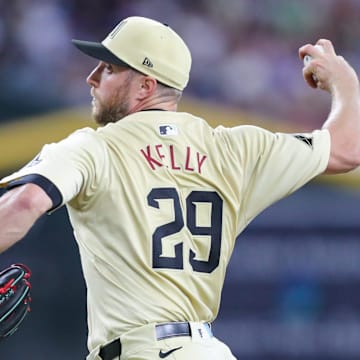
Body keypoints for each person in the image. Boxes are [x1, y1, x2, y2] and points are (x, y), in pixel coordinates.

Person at [0, 15, 360, 360]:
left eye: (109, 68)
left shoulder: (93, 147)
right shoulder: (237, 148)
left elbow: (23, 204)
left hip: (140, 351)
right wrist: (345, 80)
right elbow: (347, 149)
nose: (92, 77)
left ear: (146, 85)